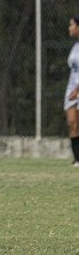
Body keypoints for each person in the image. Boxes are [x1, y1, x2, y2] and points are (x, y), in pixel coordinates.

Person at [64, 14, 79, 167]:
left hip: (77, 89)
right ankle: (77, 159)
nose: (70, 28)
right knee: (72, 122)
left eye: (72, 25)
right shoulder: (75, 46)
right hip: (72, 89)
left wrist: (78, 89)